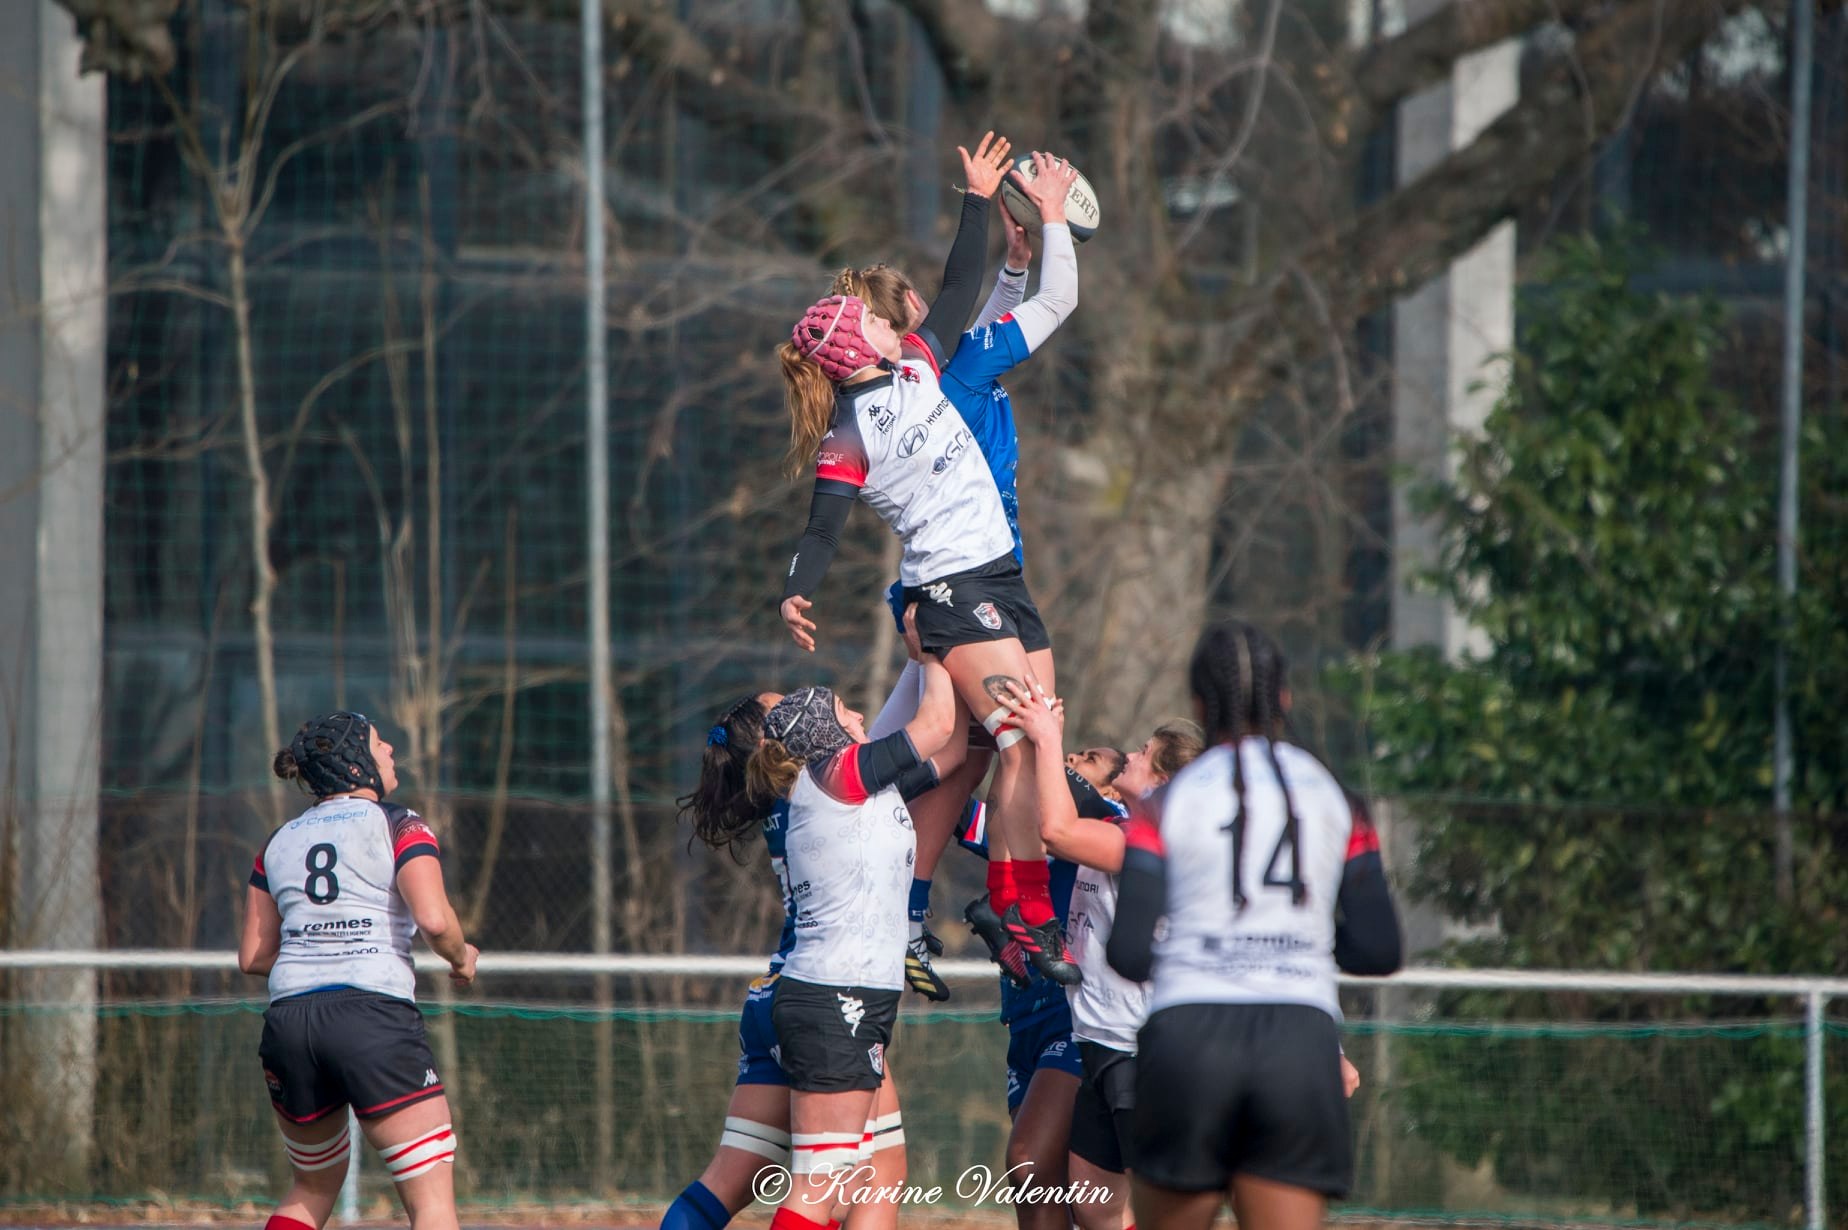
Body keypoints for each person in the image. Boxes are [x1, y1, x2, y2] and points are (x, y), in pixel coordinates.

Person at [776, 143, 1086, 986]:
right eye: (881, 319)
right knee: (1006, 743)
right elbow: (822, 527)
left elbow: (955, 292)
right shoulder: (852, 431)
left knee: (1018, 744)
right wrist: (797, 590)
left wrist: (979, 201)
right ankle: (1018, 915)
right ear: (858, 341)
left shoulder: (918, 364)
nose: (898, 322)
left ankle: (966, 908)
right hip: (953, 590)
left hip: (999, 577)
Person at [1104, 622, 1404, 1230]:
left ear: (1197, 706)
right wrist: (1304, 941)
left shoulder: (1164, 804)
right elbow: (1378, 948)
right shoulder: (1337, 798)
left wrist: (1203, 946)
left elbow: (1129, 952)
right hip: (1296, 1041)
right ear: (1284, 698)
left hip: (1190, 1037)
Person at [661, 691, 919, 1230]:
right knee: (864, 1177)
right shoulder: (825, 782)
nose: (803, 704)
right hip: (827, 995)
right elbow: (919, 739)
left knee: (728, 1183)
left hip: (777, 995)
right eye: (786, 707)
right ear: (773, 740)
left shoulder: (795, 784)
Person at [746, 645, 960, 1230]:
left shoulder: (852, 781)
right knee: (824, 1185)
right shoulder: (837, 774)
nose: (860, 715)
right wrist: (936, 649)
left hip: (853, 996)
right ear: (824, 731)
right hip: (833, 996)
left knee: (853, 1179)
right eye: (845, 710)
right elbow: (938, 725)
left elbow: (955, 749)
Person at [238, 712, 478, 1230]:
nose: (389, 749)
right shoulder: (399, 822)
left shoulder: (278, 841)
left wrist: (317, 950)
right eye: (378, 742)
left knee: (311, 1187)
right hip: (372, 1016)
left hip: (289, 1023)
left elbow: (253, 956)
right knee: (431, 1200)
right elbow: (435, 921)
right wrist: (462, 958)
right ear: (354, 764)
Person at [993, 703, 1206, 1230]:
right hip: (1099, 1041)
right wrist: (1010, 734)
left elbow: (1058, 830)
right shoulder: (1121, 823)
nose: (1130, 754)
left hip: (1139, 1046)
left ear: (1162, 780)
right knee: (1093, 1206)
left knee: (1159, 1204)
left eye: (1144, 752)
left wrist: (1045, 736)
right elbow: (1052, 803)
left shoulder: (1151, 838)